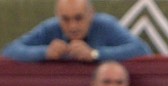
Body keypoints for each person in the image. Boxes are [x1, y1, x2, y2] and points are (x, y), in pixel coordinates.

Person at [2, 0, 150, 63]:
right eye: (65, 19)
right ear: (58, 17)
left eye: (79, 18)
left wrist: (94, 54)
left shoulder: (105, 25)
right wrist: (45, 52)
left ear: (91, 14)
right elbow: (9, 51)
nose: (72, 26)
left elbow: (141, 50)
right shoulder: (51, 28)